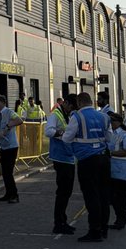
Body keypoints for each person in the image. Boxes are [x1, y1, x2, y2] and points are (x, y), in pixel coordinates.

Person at [59, 92, 111, 242]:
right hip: (103, 157)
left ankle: (94, 230)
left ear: (79, 102)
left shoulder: (77, 117)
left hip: (87, 160)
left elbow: (66, 138)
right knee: (103, 194)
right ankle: (104, 228)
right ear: (91, 101)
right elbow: (109, 138)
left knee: (91, 195)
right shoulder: (104, 116)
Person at [46, 99, 75, 235]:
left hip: (68, 157)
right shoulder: (55, 115)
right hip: (60, 158)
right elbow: (49, 132)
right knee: (63, 192)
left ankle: (63, 220)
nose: (71, 109)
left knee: (67, 192)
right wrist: (63, 134)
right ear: (66, 103)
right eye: (71, 107)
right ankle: (59, 223)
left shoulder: (66, 115)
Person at [0, 94, 22, 203]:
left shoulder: (9, 112)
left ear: (3, 103)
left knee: (8, 172)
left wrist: (9, 126)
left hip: (11, 146)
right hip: (3, 146)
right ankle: (8, 193)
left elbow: (19, 120)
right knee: (4, 172)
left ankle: (14, 195)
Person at [106, 113, 126, 229]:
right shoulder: (114, 134)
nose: (110, 124)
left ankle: (122, 216)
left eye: (111, 122)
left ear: (117, 122)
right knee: (113, 196)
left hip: (121, 169)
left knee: (118, 196)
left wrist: (111, 153)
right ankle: (120, 217)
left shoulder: (125, 135)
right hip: (114, 169)